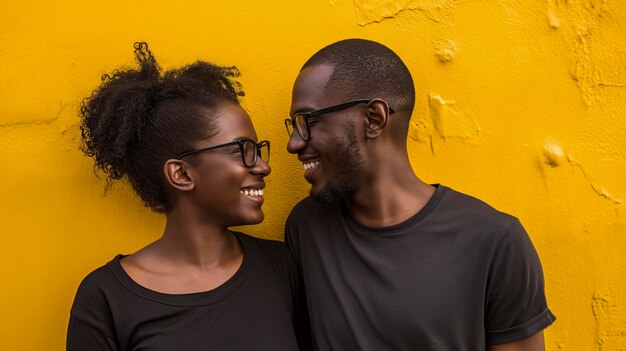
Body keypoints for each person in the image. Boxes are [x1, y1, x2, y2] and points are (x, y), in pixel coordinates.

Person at [283, 38, 555, 351]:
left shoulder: (495, 241)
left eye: (308, 121)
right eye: (293, 124)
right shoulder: (306, 227)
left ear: (374, 119)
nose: (293, 143)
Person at [67, 42, 309, 351]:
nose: (263, 166)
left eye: (258, 150)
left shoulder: (281, 267)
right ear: (181, 174)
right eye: (242, 151)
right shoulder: (105, 299)